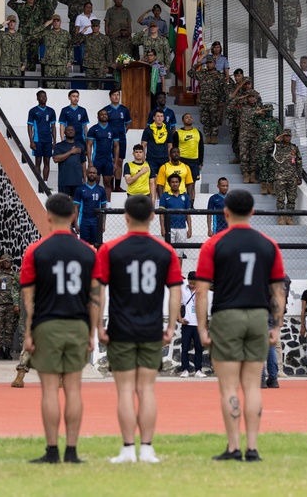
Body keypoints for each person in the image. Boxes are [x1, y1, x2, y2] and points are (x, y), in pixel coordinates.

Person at [195, 189, 286, 462]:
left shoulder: (213, 244)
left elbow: (201, 291)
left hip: (227, 315)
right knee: (251, 387)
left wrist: (202, 328)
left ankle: (233, 447)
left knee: (228, 387)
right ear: (253, 212)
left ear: (225, 212)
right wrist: (277, 327)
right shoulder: (268, 243)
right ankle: (253, 448)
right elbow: (278, 291)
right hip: (258, 315)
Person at [93, 195, 182, 464]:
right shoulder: (165, 251)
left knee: (124, 391)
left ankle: (128, 449)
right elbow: (175, 293)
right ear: (153, 217)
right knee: (146, 390)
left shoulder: (109, 249)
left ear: (126, 217)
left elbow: (99, 292)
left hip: (121, 328)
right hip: (151, 328)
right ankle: (147, 448)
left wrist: (99, 325)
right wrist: (171, 326)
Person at [20, 194, 97, 464]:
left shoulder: (35, 251)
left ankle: (52, 451)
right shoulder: (89, 251)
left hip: (47, 323)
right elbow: (95, 297)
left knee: (50, 389)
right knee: (74, 389)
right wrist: (92, 332)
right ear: (74, 216)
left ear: (49, 216)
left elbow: (28, 297)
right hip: (77, 323)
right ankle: (72, 452)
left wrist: (28, 332)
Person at [188, 55, 228, 144]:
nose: (209, 65)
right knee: (205, 120)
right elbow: (190, 73)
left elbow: (224, 89)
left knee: (214, 119)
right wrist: (197, 65)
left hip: (214, 101)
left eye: (210, 63)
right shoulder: (203, 73)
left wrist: (221, 101)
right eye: (207, 63)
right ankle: (208, 136)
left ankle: (214, 136)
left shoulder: (219, 75)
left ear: (215, 63)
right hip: (204, 101)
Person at [179, 272, 210, 378]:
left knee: (198, 348)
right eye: (190, 283)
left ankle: (198, 370)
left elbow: (204, 308)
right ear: (187, 281)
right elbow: (178, 304)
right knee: (185, 348)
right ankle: (185, 369)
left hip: (198, 324)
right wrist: (180, 319)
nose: (192, 285)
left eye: (194, 284)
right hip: (187, 324)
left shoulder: (201, 291)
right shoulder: (183, 290)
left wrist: (205, 325)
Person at [0, 253, 20, 360]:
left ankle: (7, 350)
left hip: (11, 305)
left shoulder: (15, 275)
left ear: (11, 263)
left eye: (8, 261)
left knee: (9, 329)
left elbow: (19, 288)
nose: (6, 263)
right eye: (4, 261)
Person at [272, 130, 302, 224]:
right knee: (280, 198)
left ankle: (289, 217)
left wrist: (299, 177)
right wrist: (275, 141)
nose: (288, 138)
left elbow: (299, 163)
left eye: (289, 136)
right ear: (282, 136)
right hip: (280, 177)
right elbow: (266, 149)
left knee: (291, 198)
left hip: (292, 177)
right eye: (286, 136)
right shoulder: (277, 146)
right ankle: (281, 217)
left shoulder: (294, 148)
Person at [104, 89, 132, 190]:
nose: (116, 97)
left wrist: (123, 132)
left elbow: (128, 123)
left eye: (118, 95)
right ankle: (110, 185)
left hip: (121, 139)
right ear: (110, 97)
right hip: (109, 140)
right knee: (111, 161)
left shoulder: (124, 109)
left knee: (120, 161)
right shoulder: (106, 110)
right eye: (114, 95)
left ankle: (117, 186)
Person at [27, 90, 57, 182]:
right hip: (37, 140)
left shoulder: (51, 111)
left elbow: (53, 127)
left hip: (48, 140)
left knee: (47, 162)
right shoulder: (33, 111)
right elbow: (30, 126)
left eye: (45, 96)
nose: (43, 98)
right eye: (41, 96)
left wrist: (54, 141)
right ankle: (38, 183)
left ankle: (45, 183)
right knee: (38, 161)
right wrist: (31, 141)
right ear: (37, 98)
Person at [72, 167, 107, 246]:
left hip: (96, 221)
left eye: (94, 173)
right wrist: (76, 223)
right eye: (90, 172)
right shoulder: (80, 189)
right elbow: (76, 207)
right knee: (84, 245)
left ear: (97, 175)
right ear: (86, 174)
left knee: (97, 244)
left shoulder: (101, 189)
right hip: (84, 220)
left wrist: (103, 223)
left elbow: (104, 208)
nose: (92, 174)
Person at [87, 109, 119, 193]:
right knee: (95, 183)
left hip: (108, 160)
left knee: (108, 184)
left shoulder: (113, 129)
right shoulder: (93, 129)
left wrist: (115, 163)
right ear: (98, 117)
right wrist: (90, 162)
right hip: (97, 160)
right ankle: (95, 204)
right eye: (102, 114)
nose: (104, 116)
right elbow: (89, 145)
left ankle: (108, 204)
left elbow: (116, 146)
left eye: (106, 114)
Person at [171, 114, 203, 194]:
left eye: (191, 117)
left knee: (192, 184)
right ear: (183, 121)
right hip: (182, 161)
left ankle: (191, 204)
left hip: (195, 162)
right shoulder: (178, 133)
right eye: (187, 117)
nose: (189, 118)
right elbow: (174, 149)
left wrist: (200, 162)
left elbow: (201, 148)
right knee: (181, 183)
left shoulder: (198, 132)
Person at [158, 173, 191, 244]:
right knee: (169, 251)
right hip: (169, 227)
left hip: (182, 227)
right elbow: (161, 214)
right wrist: (162, 228)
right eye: (172, 182)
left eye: (176, 182)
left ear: (179, 183)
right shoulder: (164, 196)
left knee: (180, 253)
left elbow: (188, 214)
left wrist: (190, 229)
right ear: (169, 184)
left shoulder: (185, 196)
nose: (175, 184)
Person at [53, 125, 85, 197]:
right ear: (64, 132)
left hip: (77, 181)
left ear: (75, 132)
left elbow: (83, 163)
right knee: (63, 204)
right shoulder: (59, 145)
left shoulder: (80, 145)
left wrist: (84, 178)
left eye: (72, 130)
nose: (70, 131)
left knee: (76, 204)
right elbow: (55, 159)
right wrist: (71, 152)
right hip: (64, 180)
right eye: (68, 130)